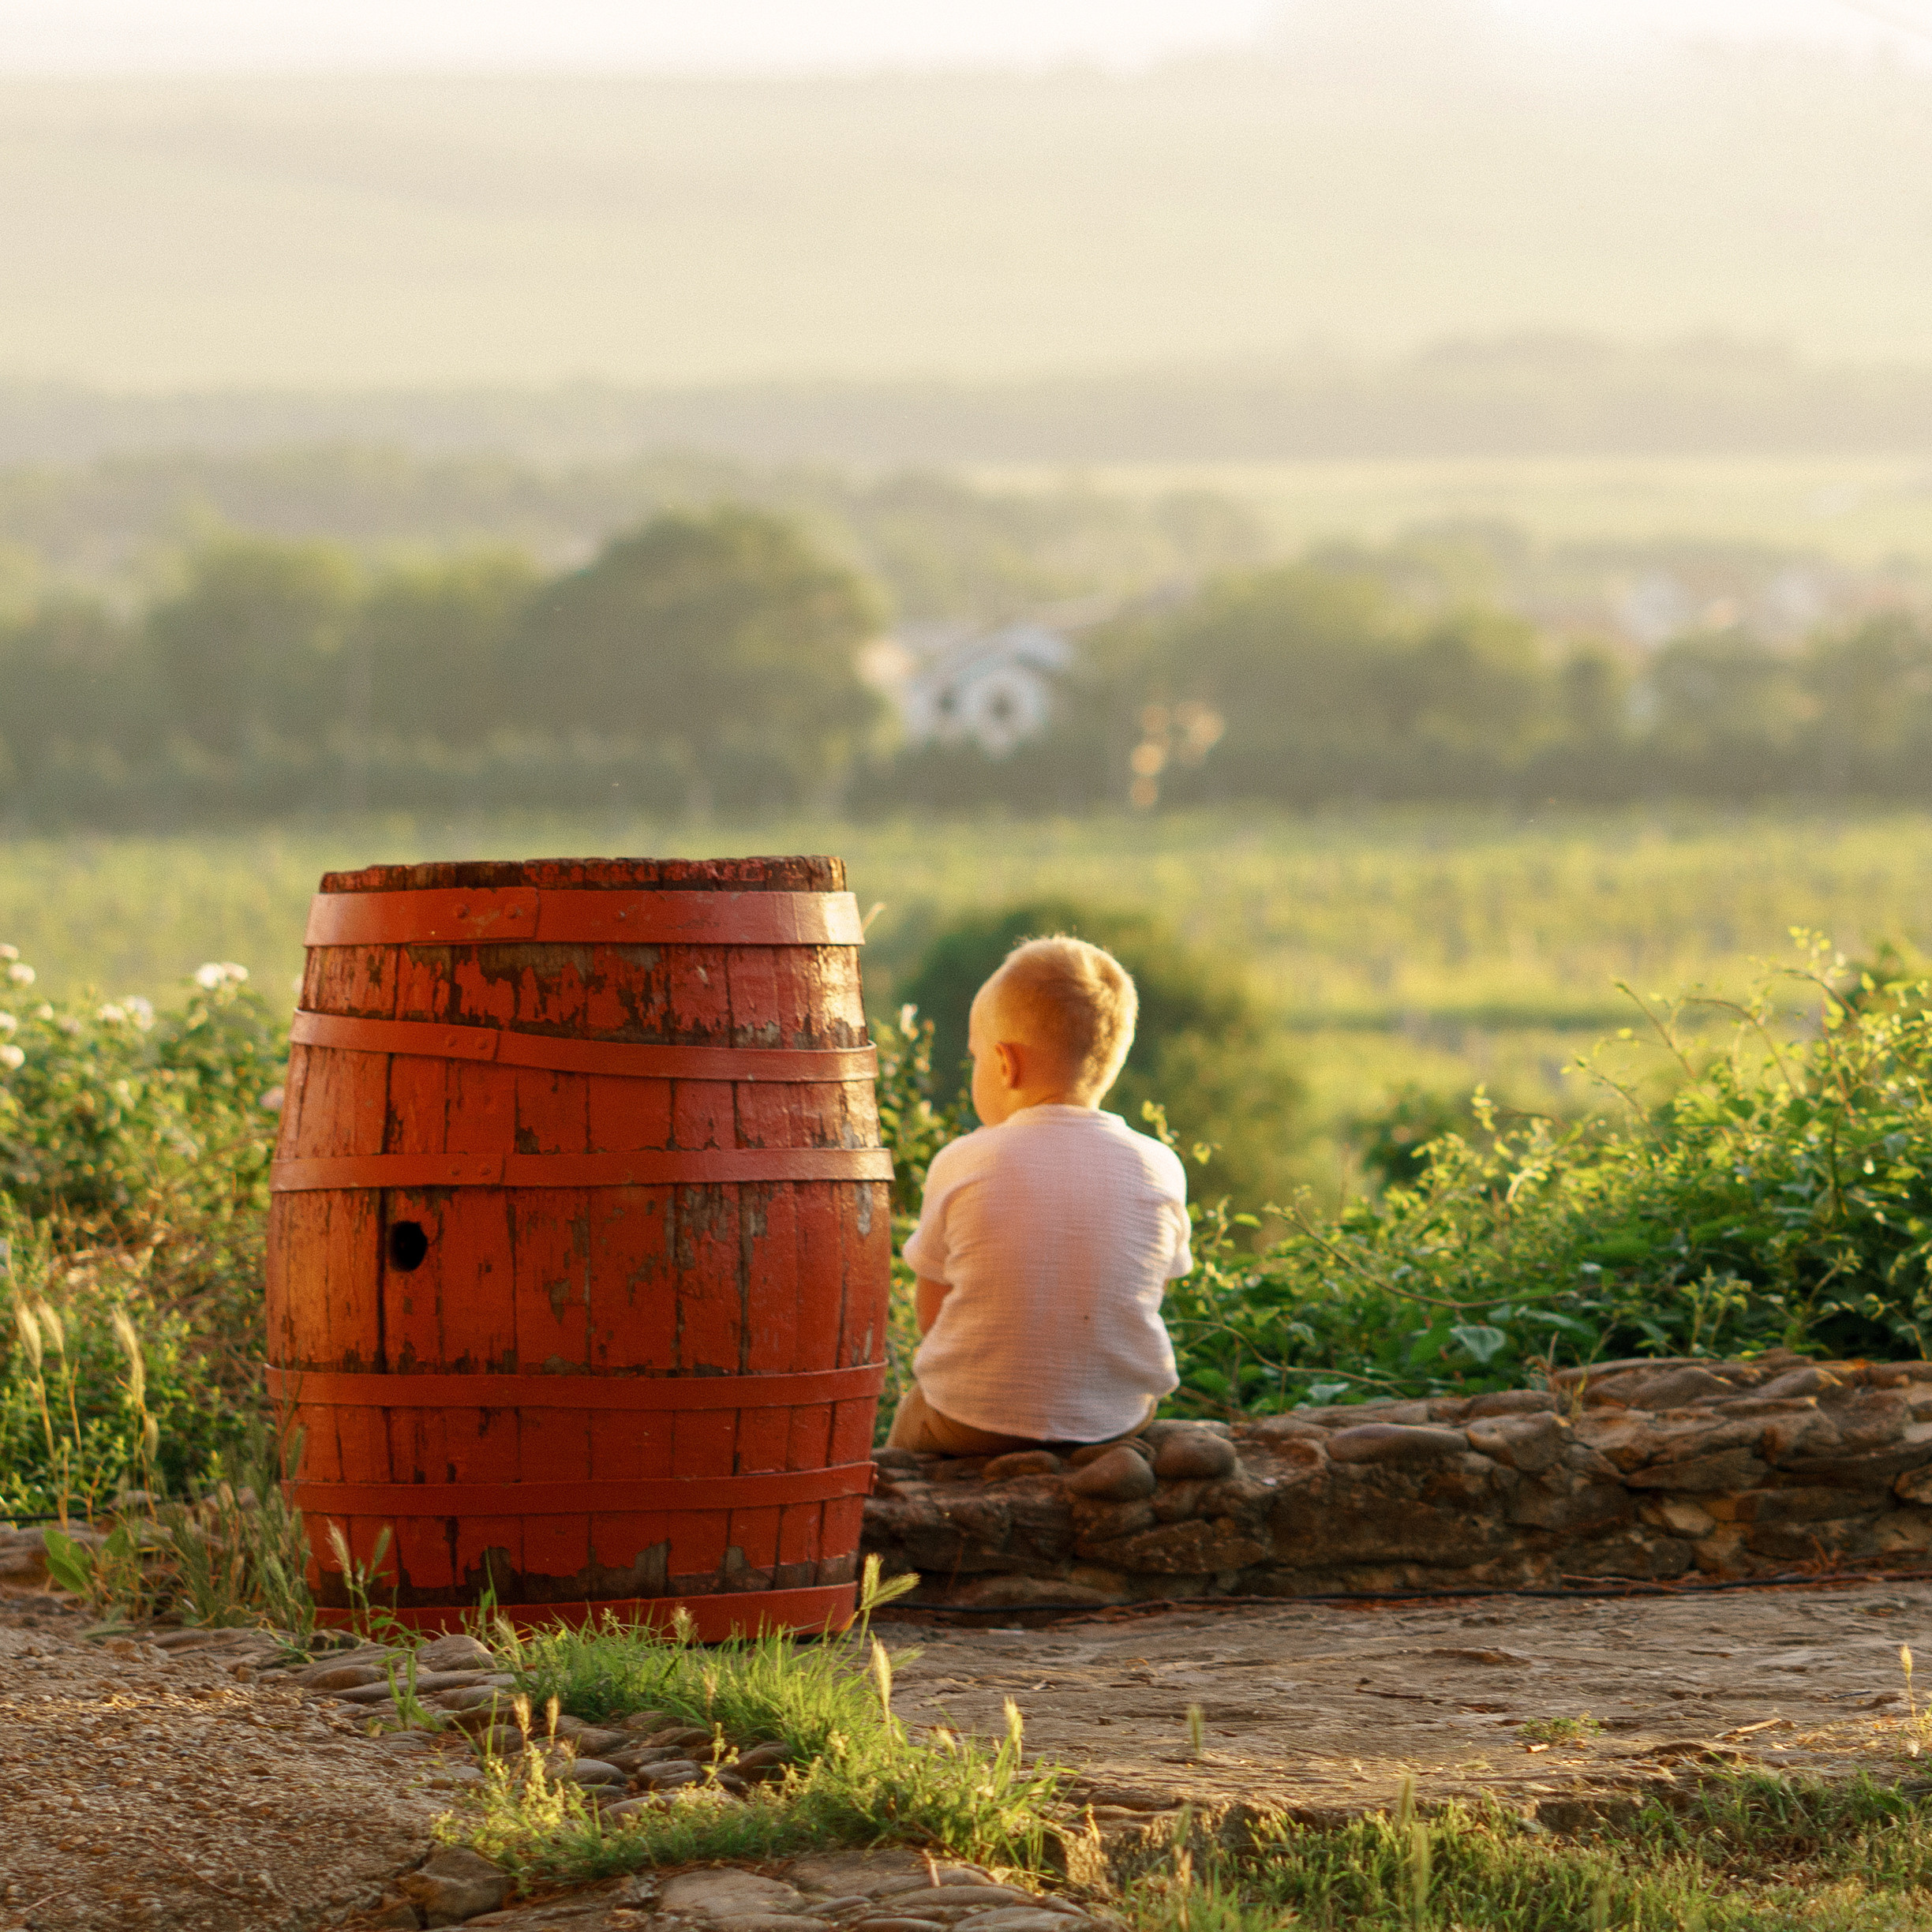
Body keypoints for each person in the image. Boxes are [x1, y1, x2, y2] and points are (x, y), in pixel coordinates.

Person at [887, 933, 1193, 1456]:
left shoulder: (964, 1160)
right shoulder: (1160, 1165)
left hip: (970, 1419)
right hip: (1115, 1418)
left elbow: (932, 1316)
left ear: (1005, 1065)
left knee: (906, 1432)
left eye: (977, 1057)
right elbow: (1148, 1292)